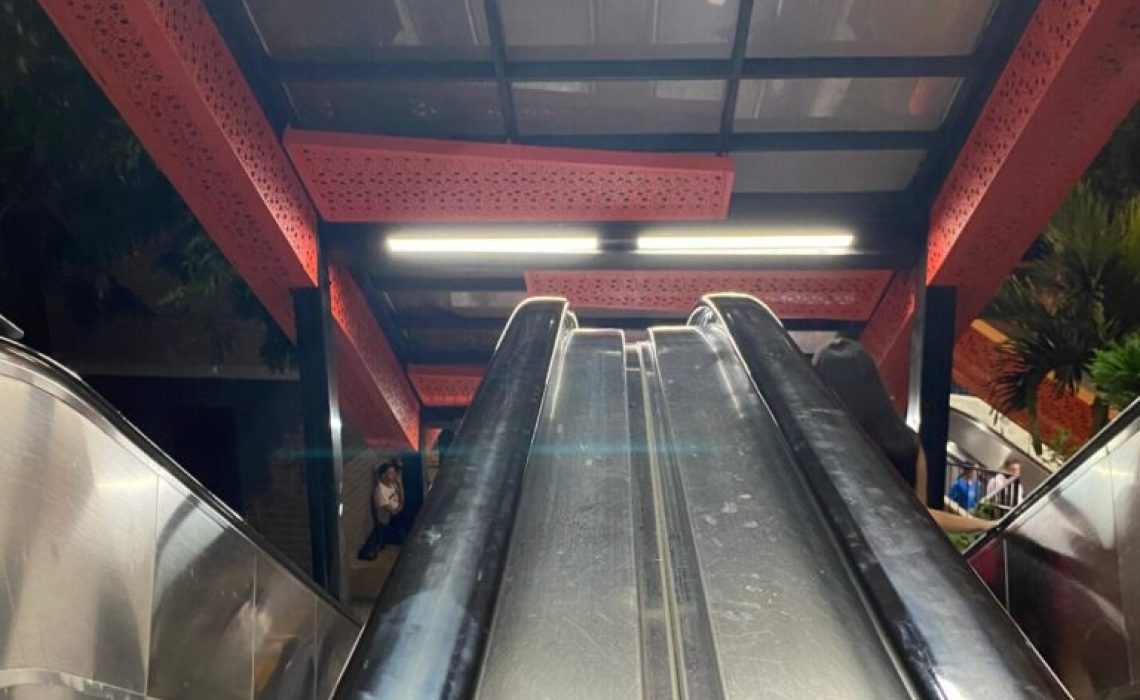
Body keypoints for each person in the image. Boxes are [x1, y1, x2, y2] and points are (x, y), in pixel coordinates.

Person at [812, 338, 995, 533]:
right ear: (874, 381)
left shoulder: (817, 440)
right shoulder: (907, 443)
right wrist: (985, 525)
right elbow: (921, 516)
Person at [357, 460, 407, 561]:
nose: (394, 476)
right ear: (383, 476)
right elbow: (392, 512)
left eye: (394, 473)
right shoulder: (380, 491)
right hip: (388, 522)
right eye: (391, 473)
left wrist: (399, 484)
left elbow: (402, 499)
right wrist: (401, 505)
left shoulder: (393, 484)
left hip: (397, 512)